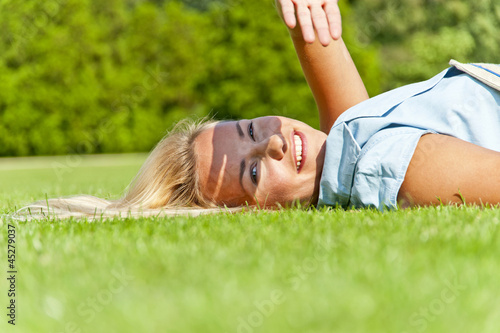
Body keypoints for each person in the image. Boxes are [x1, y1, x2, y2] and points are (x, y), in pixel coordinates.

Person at [16, 0, 500, 219]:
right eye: (251, 172)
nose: (271, 141)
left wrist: (303, 23)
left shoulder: (354, 149)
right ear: (257, 213)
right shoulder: (384, 167)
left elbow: (351, 120)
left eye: (250, 129)